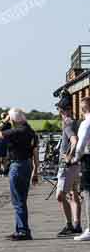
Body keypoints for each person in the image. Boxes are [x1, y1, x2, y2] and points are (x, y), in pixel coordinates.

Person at [0, 108, 39, 241]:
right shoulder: (30, 132)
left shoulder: (16, 131)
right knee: (22, 199)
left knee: (18, 201)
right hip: (28, 165)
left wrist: (4, 122)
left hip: (17, 165)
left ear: (13, 119)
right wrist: (36, 170)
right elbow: (35, 153)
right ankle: (21, 228)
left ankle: (23, 231)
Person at [55, 96, 82, 237]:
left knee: (60, 196)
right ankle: (77, 224)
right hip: (77, 164)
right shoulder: (77, 122)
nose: (59, 112)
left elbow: (74, 140)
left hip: (68, 165)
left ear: (64, 110)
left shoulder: (67, 123)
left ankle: (69, 224)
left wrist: (69, 156)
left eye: (59, 109)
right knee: (74, 194)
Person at [73, 97, 90, 241]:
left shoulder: (86, 123)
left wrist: (76, 158)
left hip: (88, 160)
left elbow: (81, 144)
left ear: (83, 109)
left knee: (88, 195)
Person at [0, 113, 12, 177]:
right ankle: (4, 171)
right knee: (4, 157)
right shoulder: (9, 124)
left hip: (0, 141)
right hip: (6, 141)